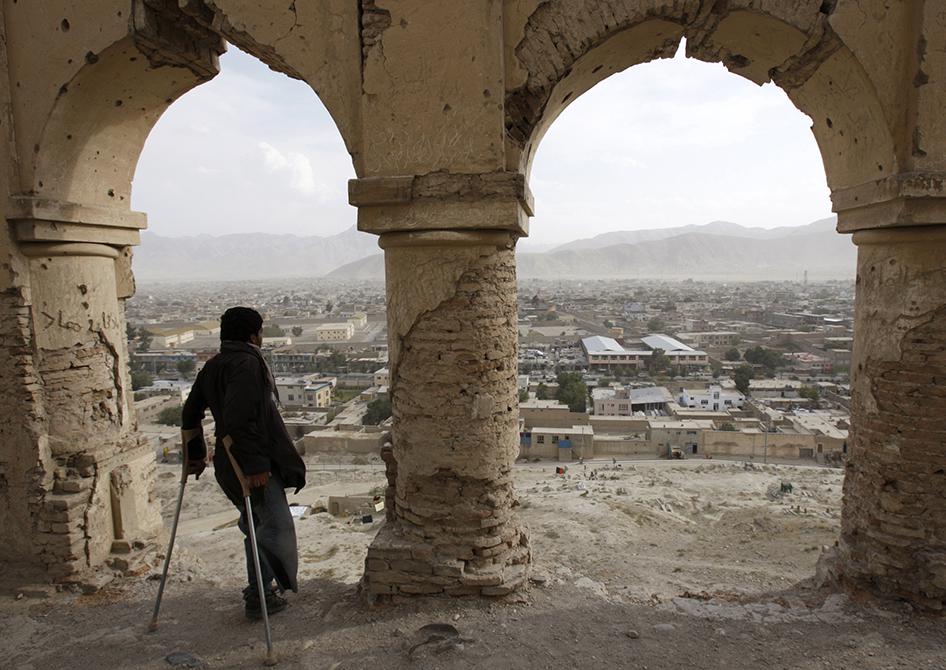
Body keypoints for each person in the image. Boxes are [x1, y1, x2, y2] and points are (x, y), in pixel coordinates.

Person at [181, 306, 306, 620]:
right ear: (254, 334)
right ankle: (260, 597)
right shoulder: (248, 363)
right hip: (248, 465)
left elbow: (190, 412)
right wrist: (255, 466)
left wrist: (194, 455)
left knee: (256, 527)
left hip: (226, 463)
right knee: (274, 529)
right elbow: (240, 419)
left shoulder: (214, 365)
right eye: (261, 332)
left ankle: (260, 593)